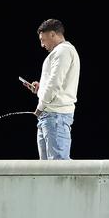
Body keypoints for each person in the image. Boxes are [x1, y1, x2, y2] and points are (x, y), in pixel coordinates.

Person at [23, 18, 80, 160]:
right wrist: (40, 88)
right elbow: (55, 84)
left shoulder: (63, 51)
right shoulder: (60, 53)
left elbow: (54, 84)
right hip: (49, 116)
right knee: (46, 170)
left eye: (43, 39)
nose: (42, 44)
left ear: (53, 34)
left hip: (55, 116)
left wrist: (40, 106)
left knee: (58, 167)